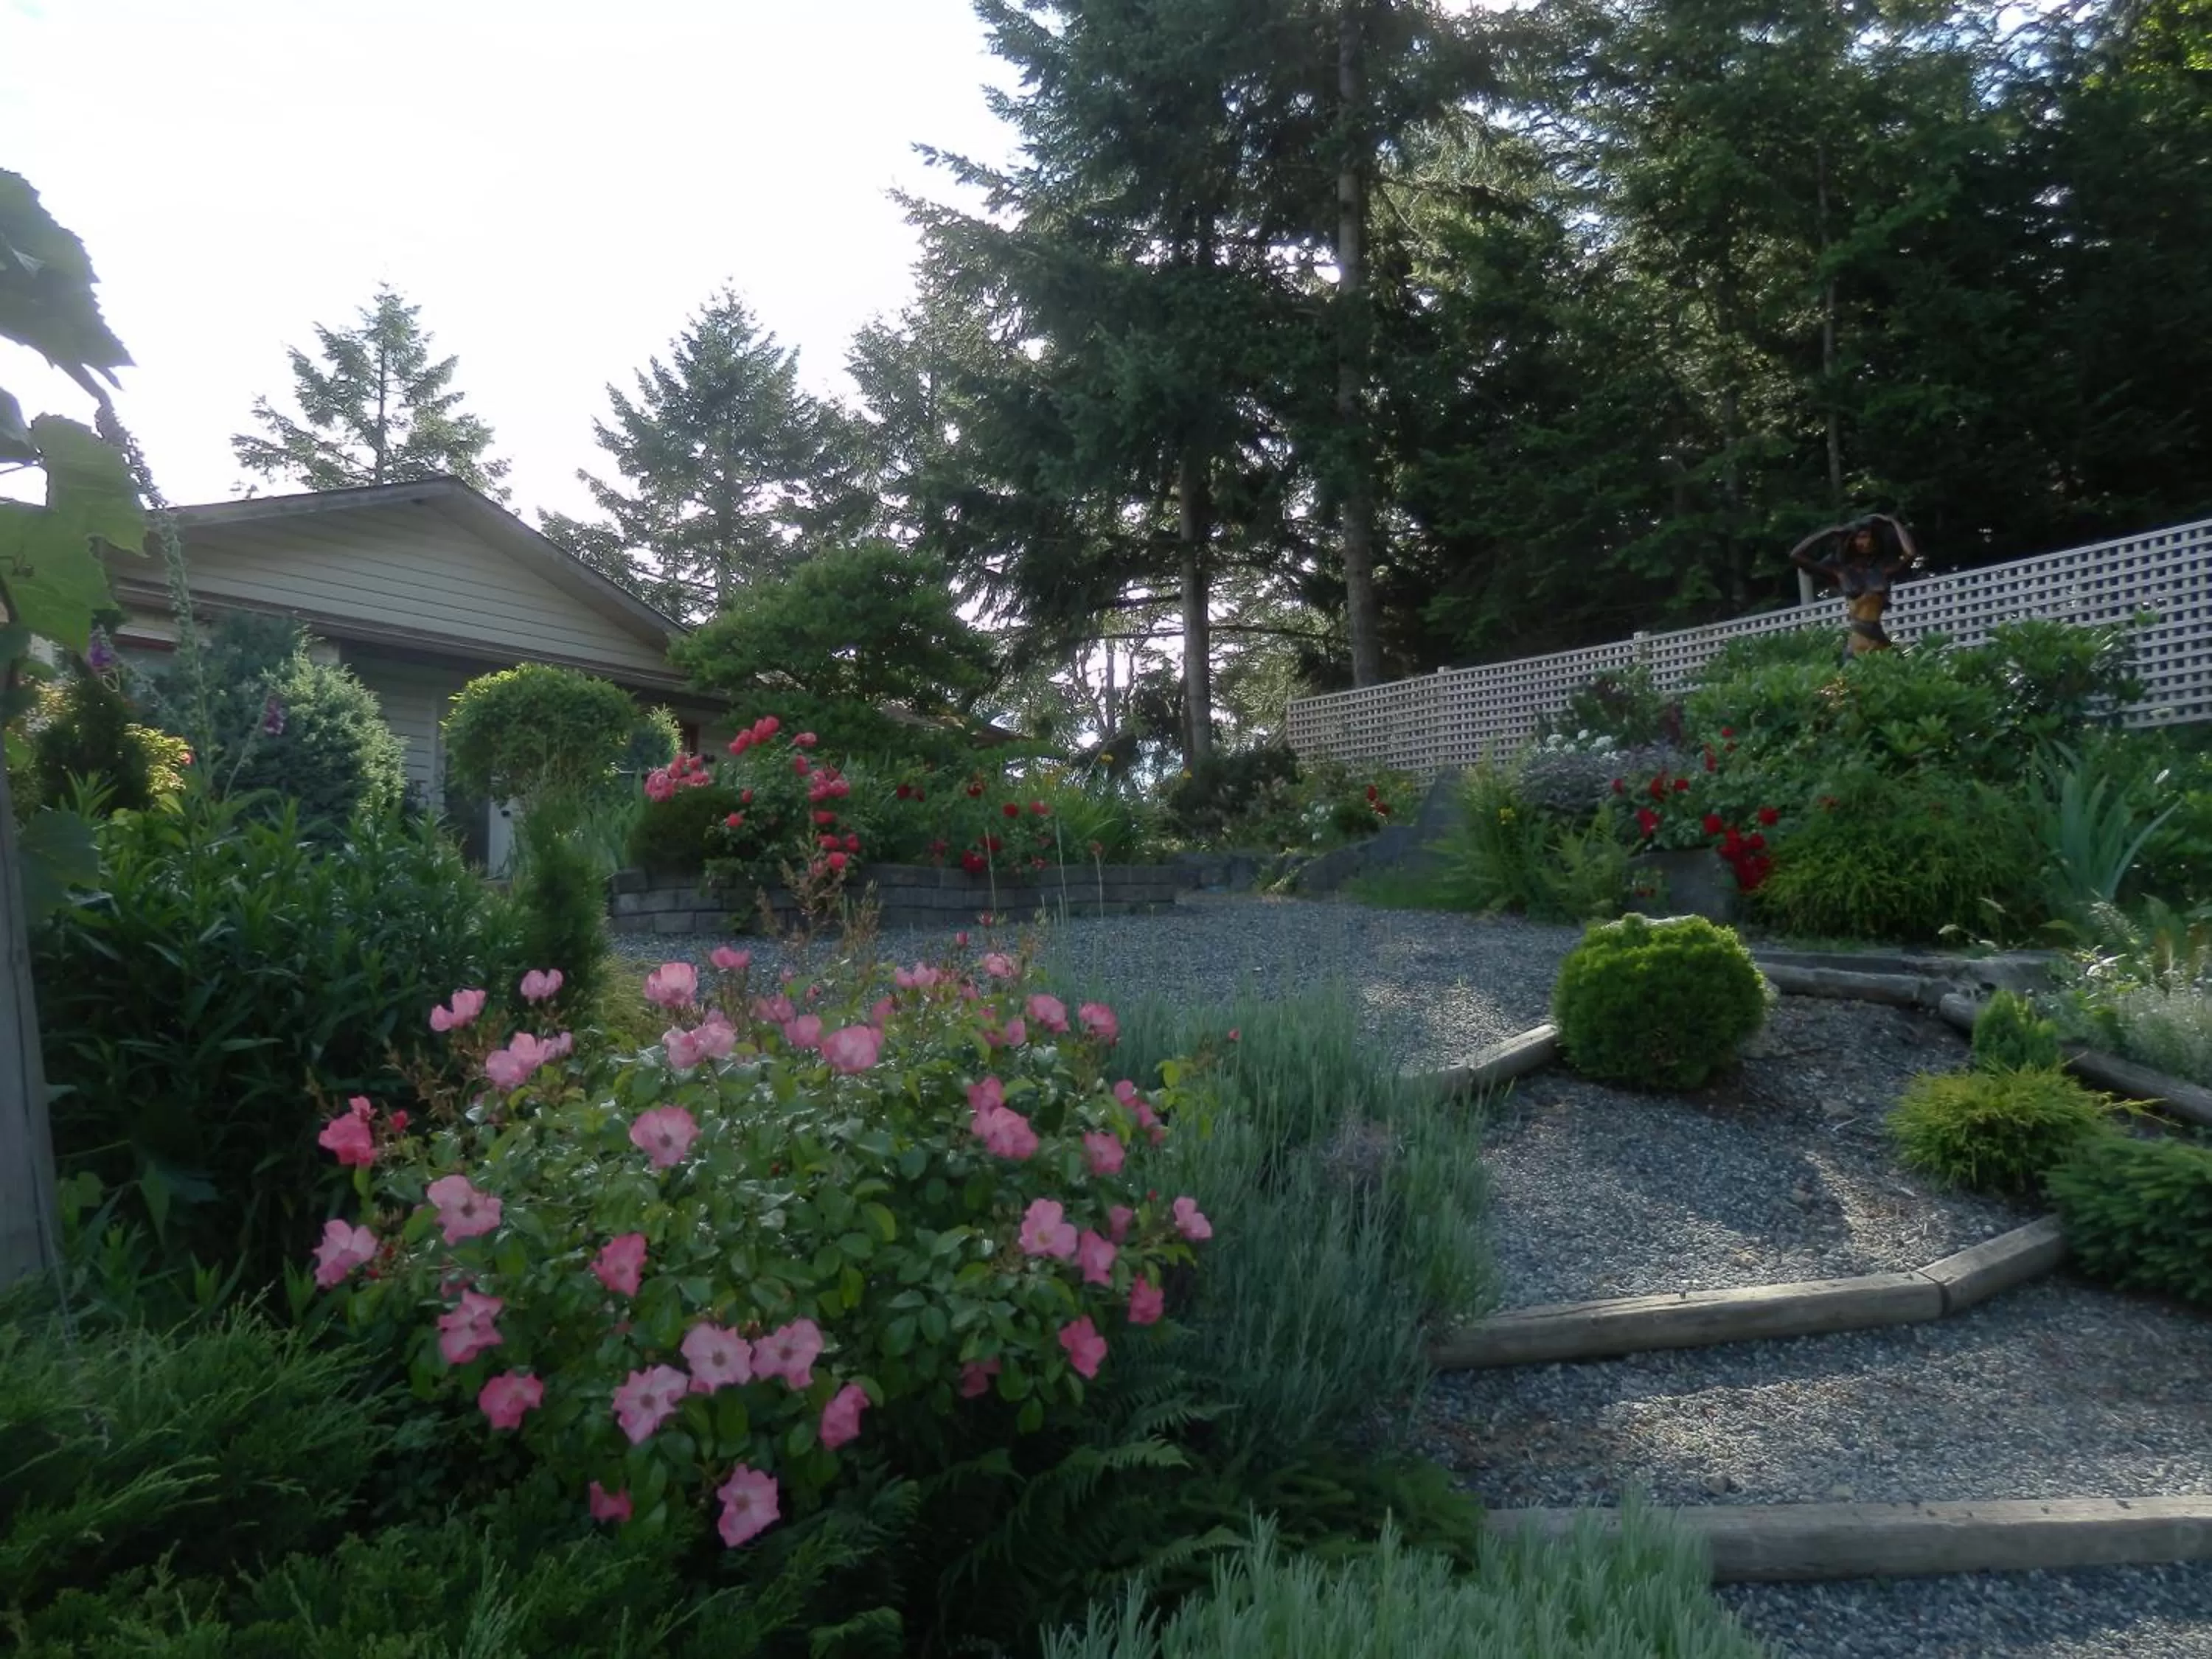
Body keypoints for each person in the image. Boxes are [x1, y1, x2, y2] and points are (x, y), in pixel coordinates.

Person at [1787, 513, 1919, 657]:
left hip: (1879, 640)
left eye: (1868, 537)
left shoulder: (1882, 571)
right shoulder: (1841, 572)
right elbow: (1796, 556)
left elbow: (1910, 554)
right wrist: (1828, 532)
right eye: (1861, 537)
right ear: (1852, 541)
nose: (1866, 542)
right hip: (1856, 645)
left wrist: (1892, 522)